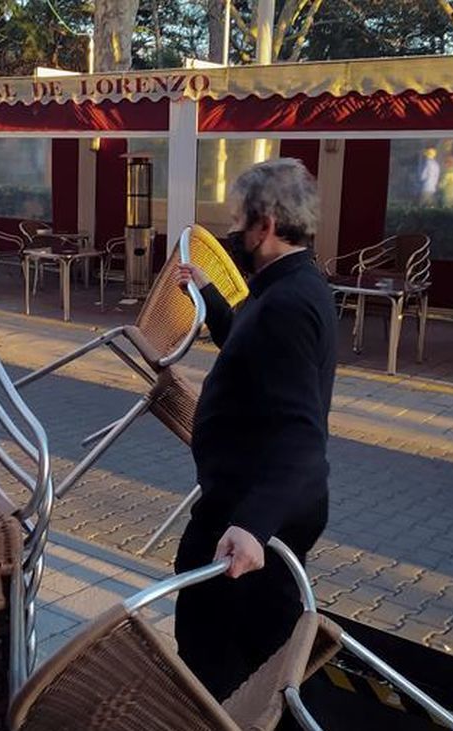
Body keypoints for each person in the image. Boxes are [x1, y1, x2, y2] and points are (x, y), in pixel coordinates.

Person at [173, 158, 337, 706]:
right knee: (239, 645)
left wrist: (253, 525)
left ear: (265, 224)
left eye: (238, 222)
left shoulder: (287, 305)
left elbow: (301, 435)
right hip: (251, 503)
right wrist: (209, 298)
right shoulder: (288, 286)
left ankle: (232, 715)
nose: (232, 234)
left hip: (252, 514)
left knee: (229, 654)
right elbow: (248, 342)